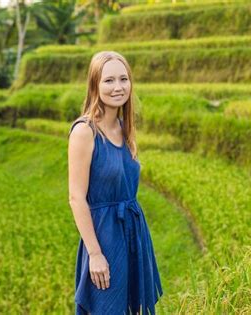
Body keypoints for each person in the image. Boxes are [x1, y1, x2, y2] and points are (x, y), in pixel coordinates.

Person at [68, 51, 163, 315]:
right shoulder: (84, 132)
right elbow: (76, 198)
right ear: (95, 85)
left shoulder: (124, 128)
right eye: (109, 80)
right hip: (104, 237)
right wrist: (95, 254)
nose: (118, 87)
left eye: (124, 79)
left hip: (133, 232)